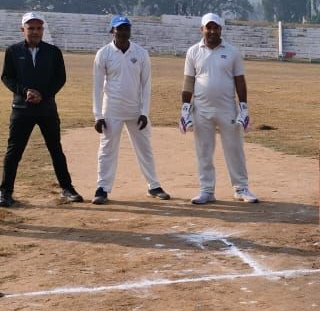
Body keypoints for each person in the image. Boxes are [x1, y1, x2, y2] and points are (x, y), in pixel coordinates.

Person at [0, 13, 83, 207]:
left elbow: (60, 78)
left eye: (38, 28)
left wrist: (43, 95)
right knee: (14, 151)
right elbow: (7, 77)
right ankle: (5, 192)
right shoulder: (13, 51)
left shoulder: (53, 52)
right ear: (23, 30)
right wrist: (25, 91)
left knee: (55, 150)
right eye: (31, 28)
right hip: (21, 109)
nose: (35, 32)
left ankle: (67, 189)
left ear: (43, 30)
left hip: (47, 109)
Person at [91, 15, 171, 204]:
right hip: (112, 108)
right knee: (107, 149)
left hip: (135, 109)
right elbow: (97, 86)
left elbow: (146, 85)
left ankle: (153, 185)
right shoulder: (103, 54)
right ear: (112, 31)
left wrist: (144, 112)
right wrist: (98, 115)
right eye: (119, 28)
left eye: (126, 28)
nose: (123, 32)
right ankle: (102, 188)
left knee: (144, 148)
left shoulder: (141, 53)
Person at [180, 13, 259, 205]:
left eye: (216, 28)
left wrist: (243, 107)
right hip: (201, 110)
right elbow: (189, 81)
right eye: (209, 27)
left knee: (234, 149)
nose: (212, 31)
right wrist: (185, 108)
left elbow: (240, 80)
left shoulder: (232, 52)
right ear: (202, 29)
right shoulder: (193, 51)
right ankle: (206, 190)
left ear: (221, 29)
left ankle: (241, 188)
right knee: (204, 151)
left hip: (227, 108)